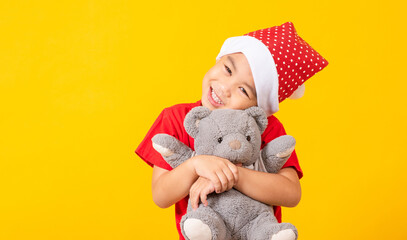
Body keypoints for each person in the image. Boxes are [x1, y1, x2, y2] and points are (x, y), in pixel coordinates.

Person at [136, 22, 328, 239]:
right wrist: (196, 165)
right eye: (228, 70)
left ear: (259, 110)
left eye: (243, 90)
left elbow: (291, 193)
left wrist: (232, 175)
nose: (225, 88)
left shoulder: (267, 128)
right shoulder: (176, 118)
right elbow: (161, 196)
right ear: (219, 58)